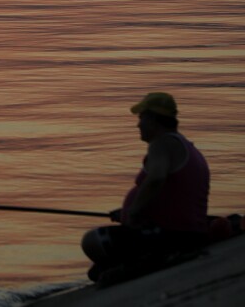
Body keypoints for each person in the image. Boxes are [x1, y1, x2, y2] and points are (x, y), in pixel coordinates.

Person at [81, 92, 211, 286]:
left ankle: (152, 260)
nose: (138, 125)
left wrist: (134, 211)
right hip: (188, 232)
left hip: (171, 235)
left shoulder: (161, 144)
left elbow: (157, 178)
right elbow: (171, 195)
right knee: (96, 272)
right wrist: (126, 212)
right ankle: (135, 262)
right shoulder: (180, 144)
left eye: (141, 118)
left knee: (92, 241)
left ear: (152, 119)